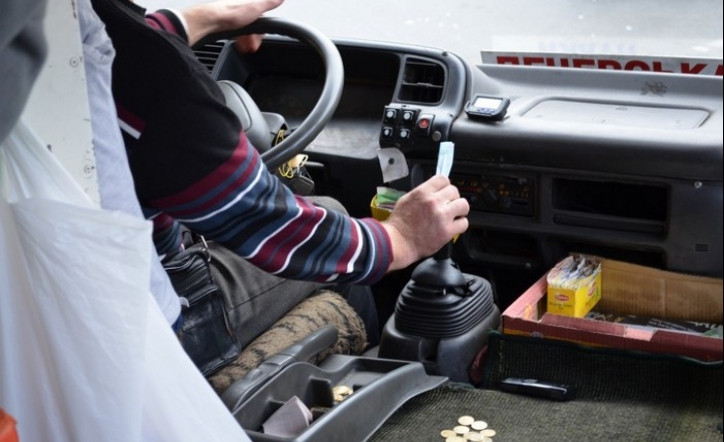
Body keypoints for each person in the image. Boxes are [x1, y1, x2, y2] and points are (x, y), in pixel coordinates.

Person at [89, 0, 470, 349]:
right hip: (153, 319)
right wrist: (399, 238)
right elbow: (267, 222)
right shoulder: (161, 89)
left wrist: (204, 18)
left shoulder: (60, 25)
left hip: (88, 289)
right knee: (339, 251)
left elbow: (114, 45)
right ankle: (370, 376)